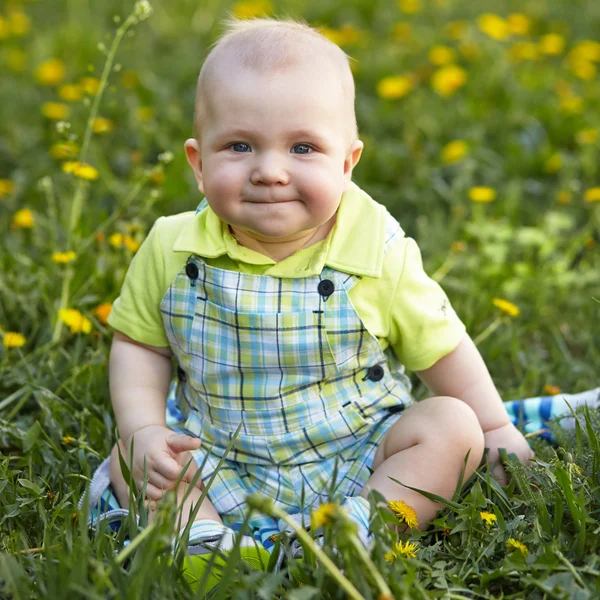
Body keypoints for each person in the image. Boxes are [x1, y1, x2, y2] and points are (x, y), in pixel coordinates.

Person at [82, 16, 598, 590]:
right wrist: (146, 428)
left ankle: (361, 528)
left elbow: (442, 345)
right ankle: (208, 544)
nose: (270, 171)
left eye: (303, 147)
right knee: (132, 464)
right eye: (239, 146)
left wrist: (496, 424)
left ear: (347, 163)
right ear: (199, 164)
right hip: (221, 453)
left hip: (361, 453)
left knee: (454, 427)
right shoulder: (171, 247)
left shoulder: (376, 251)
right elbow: (139, 346)